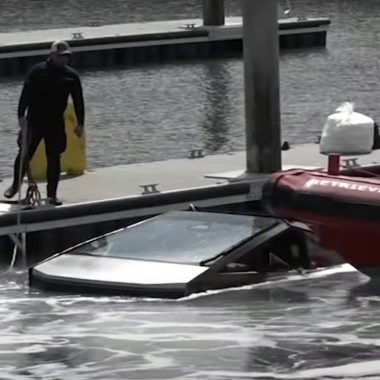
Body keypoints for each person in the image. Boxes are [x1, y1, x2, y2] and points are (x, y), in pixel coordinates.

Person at [4, 40, 85, 206]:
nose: (64, 60)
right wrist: (20, 116)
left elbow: (78, 101)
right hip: (34, 121)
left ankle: (51, 195)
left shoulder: (71, 75)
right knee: (25, 154)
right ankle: (15, 185)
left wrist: (80, 123)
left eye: (66, 57)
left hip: (55, 123)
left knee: (54, 158)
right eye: (61, 56)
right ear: (52, 55)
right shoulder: (37, 71)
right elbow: (25, 94)